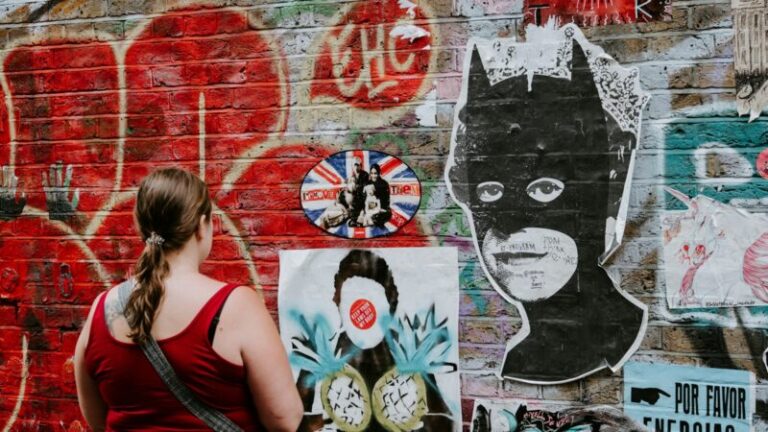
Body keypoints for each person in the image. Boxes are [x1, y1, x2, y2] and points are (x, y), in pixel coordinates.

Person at [73, 168, 302, 431]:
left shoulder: (101, 309)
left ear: (139, 226)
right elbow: (285, 419)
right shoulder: (236, 306)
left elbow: (97, 419)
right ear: (201, 225)